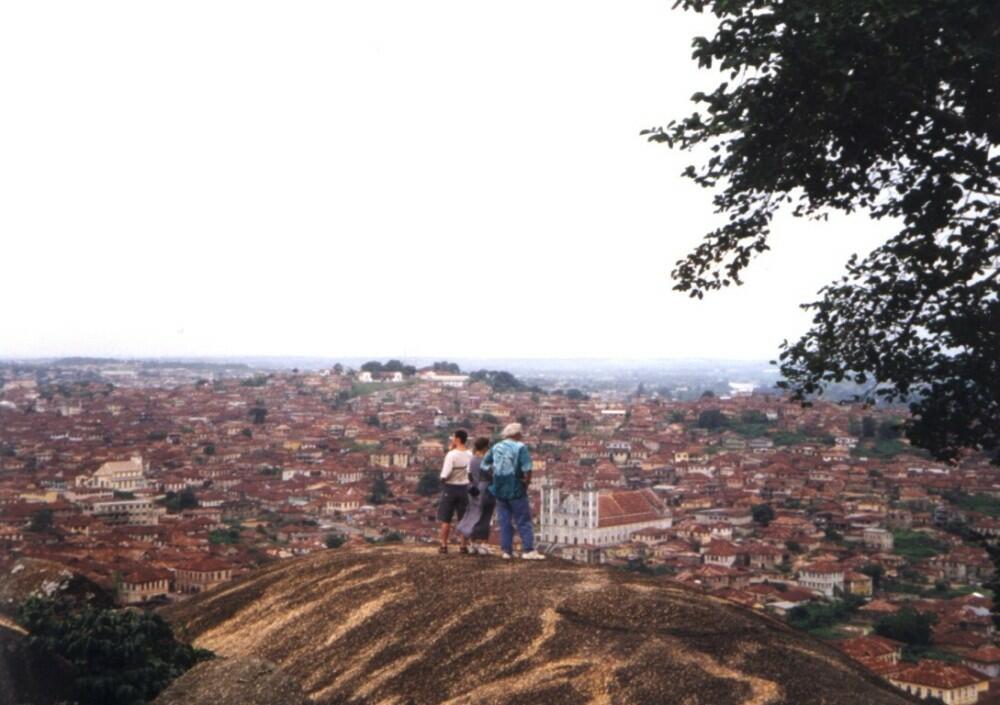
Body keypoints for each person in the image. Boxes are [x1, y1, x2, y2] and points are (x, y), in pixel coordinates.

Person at [481, 423, 545, 560]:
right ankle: (528, 550)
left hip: (499, 488)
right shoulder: (520, 447)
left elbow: (484, 464)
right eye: (520, 433)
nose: (521, 436)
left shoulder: (496, 447)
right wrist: (526, 482)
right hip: (515, 487)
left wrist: (494, 474)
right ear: (516, 434)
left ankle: (506, 551)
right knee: (523, 519)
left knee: (504, 520)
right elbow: (527, 467)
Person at [456, 437, 495, 555]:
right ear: (485, 447)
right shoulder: (485, 461)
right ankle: (483, 544)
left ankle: (472, 543)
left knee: (473, 516)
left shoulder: (472, 460)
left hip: (474, 491)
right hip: (486, 490)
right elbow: (492, 475)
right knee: (485, 517)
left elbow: (469, 476)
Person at [438, 429, 473, 553]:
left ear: (457, 439)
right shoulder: (470, 454)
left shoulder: (451, 455)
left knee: (446, 518)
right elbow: (470, 472)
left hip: (451, 488)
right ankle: (463, 546)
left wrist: (442, 480)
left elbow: (445, 474)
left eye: (453, 438)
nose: (452, 439)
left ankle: (443, 545)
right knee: (463, 518)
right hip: (464, 488)